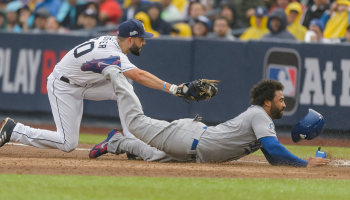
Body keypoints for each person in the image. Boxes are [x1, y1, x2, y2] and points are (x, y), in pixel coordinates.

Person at [83, 63, 330, 168]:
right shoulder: (259, 117)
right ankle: (116, 74)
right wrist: (305, 163)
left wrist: (301, 162)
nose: (284, 104)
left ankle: (116, 141)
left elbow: (274, 159)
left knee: (152, 156)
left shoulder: (262, 120)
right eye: (281, 100)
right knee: (136, 122)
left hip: (194, 151)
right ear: (267, 102)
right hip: (188, 138)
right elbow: (275, 150)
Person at [0, 19, 184, 154]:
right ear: (130, 39)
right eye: (141, 39)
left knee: (123, 89)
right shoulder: (112, 51)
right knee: (67, 143)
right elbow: (139, 75)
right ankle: (15, 130)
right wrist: (174, 89)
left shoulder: (114, 42)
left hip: (84, 82)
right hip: (63, 86)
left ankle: (131, 141)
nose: (144, 42)